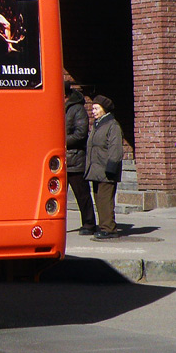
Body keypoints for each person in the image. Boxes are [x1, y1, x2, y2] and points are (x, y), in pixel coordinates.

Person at [85, 94, 124, 239]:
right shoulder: (98, 125)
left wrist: (111, 167)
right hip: (96, 170)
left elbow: (115, 148)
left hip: (106, 170)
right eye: (92, 108)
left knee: (105, 200)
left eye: (96, 108)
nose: (93, 111)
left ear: (104, 109)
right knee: (99, 200)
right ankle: (103, 226)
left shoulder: (112, 125)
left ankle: (109, 228)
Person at [64, 82, 95, 236]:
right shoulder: (58, 108)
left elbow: (80, 134)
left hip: (75, 159)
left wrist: (60, 140)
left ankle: (89, 223)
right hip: (60, 160)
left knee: (82, 194)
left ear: (65, 95)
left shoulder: (77, 109)